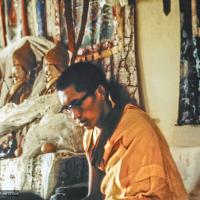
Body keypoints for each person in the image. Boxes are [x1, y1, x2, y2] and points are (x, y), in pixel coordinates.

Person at [56, 62, 188, 200]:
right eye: (69, 108)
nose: (74, 115)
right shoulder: (90, 136)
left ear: (100, 92)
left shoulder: (136, 128)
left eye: (77, 103)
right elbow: (94, 196)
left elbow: (151, 196)